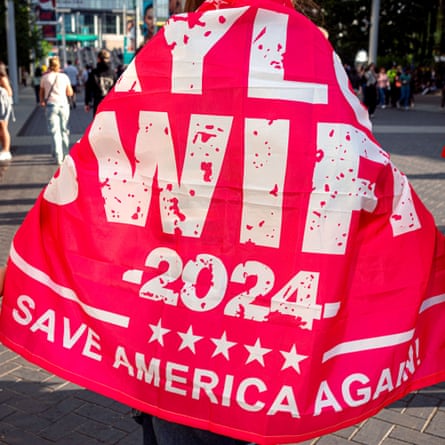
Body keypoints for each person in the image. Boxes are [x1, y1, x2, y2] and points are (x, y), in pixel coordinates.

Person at [39, 56, 73, 165]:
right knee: (64, 130)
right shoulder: (64, 77)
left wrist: (42, 101)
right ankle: (66, 154)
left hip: (51, 106)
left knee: (55, 132)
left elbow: (41, 92)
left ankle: (58, 157)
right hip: (63, 105)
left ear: (49, 65)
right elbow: (70, 93)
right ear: (59, 65)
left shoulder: (45, 77)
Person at [84, 49, 116, 116]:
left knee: (98, 125)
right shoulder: (113, 73)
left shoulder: (94, 73)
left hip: (98, 103)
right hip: (111, 105)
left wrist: (87, 103)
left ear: (98, 59)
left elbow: (88, 88)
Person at [0, 61, 13, 162]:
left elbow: (9, 92)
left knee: (3, 126)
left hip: (3, 105)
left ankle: (6, 150)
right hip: (3, 105)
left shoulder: (2, 77)